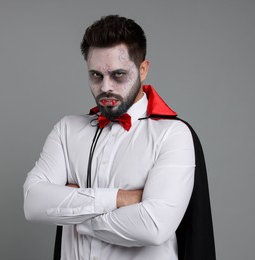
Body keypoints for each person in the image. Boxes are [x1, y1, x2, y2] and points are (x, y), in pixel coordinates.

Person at [23, 15, 215, 260]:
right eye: (95, 75)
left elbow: (154, 227)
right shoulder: (67, 130)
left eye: (118, 75)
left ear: (143, 69)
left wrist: (76, 217)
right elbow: (33, 203)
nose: (105, 87)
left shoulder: (172, 135)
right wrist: (122, 199)